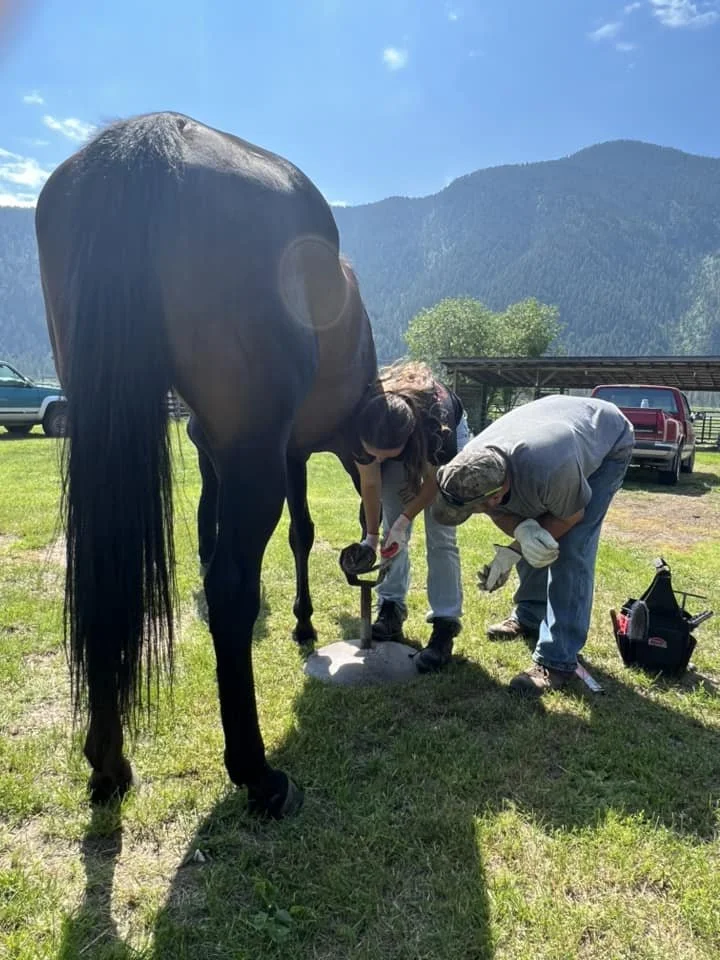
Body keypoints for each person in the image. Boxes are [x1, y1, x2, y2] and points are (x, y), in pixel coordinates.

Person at [431, 394, 633, 696]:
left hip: (608, 440)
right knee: (533, 528)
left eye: (476, 508)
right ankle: (530, 615)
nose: (478, 513)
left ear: (496, 494)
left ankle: (558, 660)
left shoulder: (550, 468)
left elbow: (572, 515)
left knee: (570, 549)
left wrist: (521, 544)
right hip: (553, 428)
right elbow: (501, 511)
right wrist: (519, 539)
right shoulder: (472, 462)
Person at [341, 361, 470, 673]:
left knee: (441, 535)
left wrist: (405, 519)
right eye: (374, 455)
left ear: (407, 437)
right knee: (390, 535)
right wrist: (373, 536)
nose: (378, 460)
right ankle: (391, 607)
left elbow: (433, 483)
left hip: (440, 447)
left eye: (385, 455)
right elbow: (371, 483)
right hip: (399, 441)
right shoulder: (362, 424)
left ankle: (444, 624)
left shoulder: (437, 427)